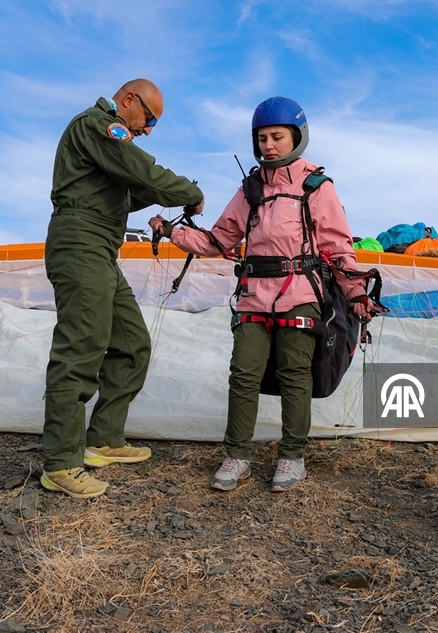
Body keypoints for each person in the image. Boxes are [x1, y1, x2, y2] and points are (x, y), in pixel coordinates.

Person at [149, 97, 372, 492]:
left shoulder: (316, 187)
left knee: (295, 374)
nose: (268, 145)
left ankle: (292, 457)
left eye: (277, 137)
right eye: (262, 138)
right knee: (244, 373)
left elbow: (338, 248)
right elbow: (219, 239)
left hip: (301, 293)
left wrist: (356, 293)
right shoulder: (250, 189)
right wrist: (172, 232)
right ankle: (237, 455)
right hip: (253, 295)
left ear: (296, 137)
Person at [41, 79, 205, 498]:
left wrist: (169, 196)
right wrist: (190, 191)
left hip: (101, 247)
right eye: (149, 119)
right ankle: (60, 462)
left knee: (132, 343)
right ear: (129, 99)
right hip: (80, 240)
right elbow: (140, 169)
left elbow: (129, 192)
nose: (148, 130)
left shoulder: (106, 147)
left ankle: (103, 439)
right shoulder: (97, 125)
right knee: (81, 346)